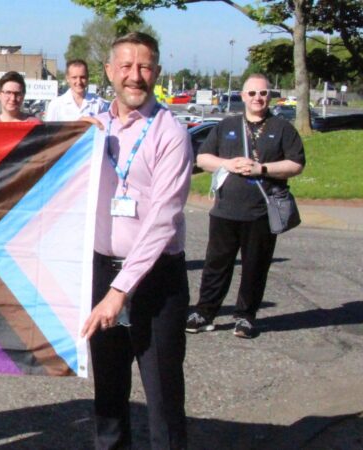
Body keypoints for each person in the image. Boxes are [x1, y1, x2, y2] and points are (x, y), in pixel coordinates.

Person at [80, 32, 192, 449]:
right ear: (109, 71)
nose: (135, 76)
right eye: (125, 66)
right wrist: (68, 141)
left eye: (144, 67)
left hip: (154, 281)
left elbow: (163, 221)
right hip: (101, 271)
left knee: (162, 398)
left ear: (157, 72)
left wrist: (119, 291)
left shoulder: (171, 134)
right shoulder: (91, 129)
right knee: (108, 396)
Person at [186, 74, 305, 339]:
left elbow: (296, 164)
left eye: (262, 93)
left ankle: (246, 316)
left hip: (261, 213)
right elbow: (203, 158)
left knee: (255, 267)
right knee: (216, 265)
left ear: (269, 96)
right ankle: (205, 313)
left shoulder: (282, 128)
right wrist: (227, 164)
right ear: (242, 96)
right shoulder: (226, 125)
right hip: (224, 211)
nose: (257, 99)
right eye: (252, 94)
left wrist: (261, 168)